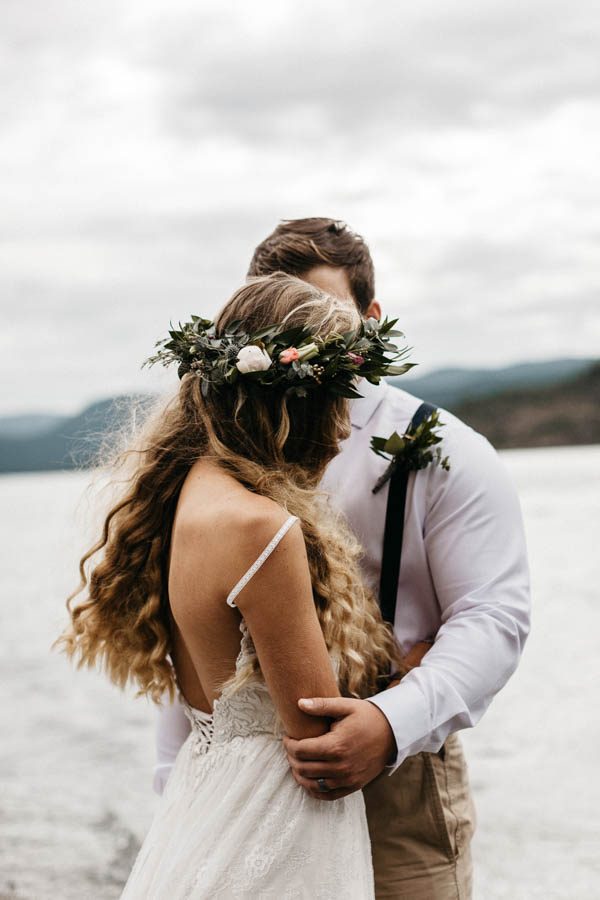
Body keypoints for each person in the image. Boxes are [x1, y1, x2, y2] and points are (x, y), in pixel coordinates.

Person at [155, 218, 531, 899]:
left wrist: (392, 723)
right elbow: (198, 633)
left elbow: (495, 616)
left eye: (323, 320)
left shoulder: (446, 451)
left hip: (403, 774)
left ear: (371, 320)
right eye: (283, 327)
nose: (302, 343)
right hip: (243, 784)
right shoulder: (218, 473)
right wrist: (176, 784)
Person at [57, 272, 415, 898]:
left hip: (207, 802)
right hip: (275, 825)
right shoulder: (262, 530)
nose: (341, 430)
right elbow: (318, 743)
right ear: (292, 401)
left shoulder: (183, 495)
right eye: (337, 400)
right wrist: (407, 685)